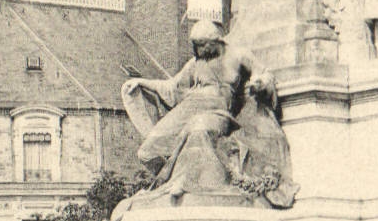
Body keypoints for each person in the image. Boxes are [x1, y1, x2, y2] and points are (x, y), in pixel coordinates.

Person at [121, 20, 295, 206]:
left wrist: (259, 82)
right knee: (147, 152)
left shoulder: (238, 55)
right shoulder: (195, 64)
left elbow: (265, 73)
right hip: (188, 107)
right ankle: (169, 178)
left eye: (202, 45)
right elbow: (171, 88)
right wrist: (141, 82)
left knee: (199, 129)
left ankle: (185, 181)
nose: (198, 50)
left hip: (217, 112)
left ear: (215, 41)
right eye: (196, 46)